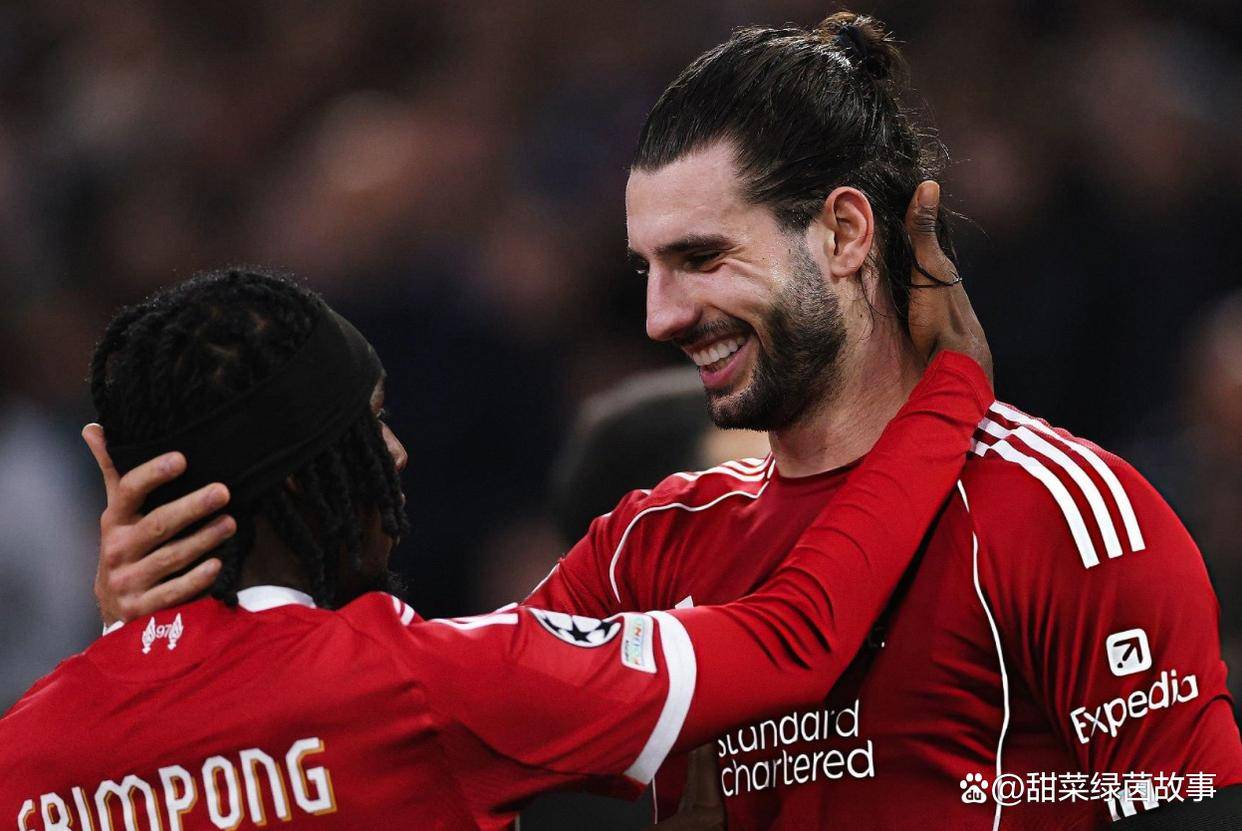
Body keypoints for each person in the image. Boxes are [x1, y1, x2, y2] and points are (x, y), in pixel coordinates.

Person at [87, 11, 1242, 829]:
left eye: (700, 258)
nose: (659, 317)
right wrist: (177, 651)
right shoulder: (648, 543)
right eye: (646, 269)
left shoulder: (1069, 514)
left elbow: (1187, 805)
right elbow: (416, 728)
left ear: (845, 236)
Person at [2, 246, 991, 831]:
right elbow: (795, 639)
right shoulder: (417, 688)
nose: (396, 456)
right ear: (304, 481)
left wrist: (125, 641)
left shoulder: (25, 751)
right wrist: (945, 394)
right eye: (370, 427)